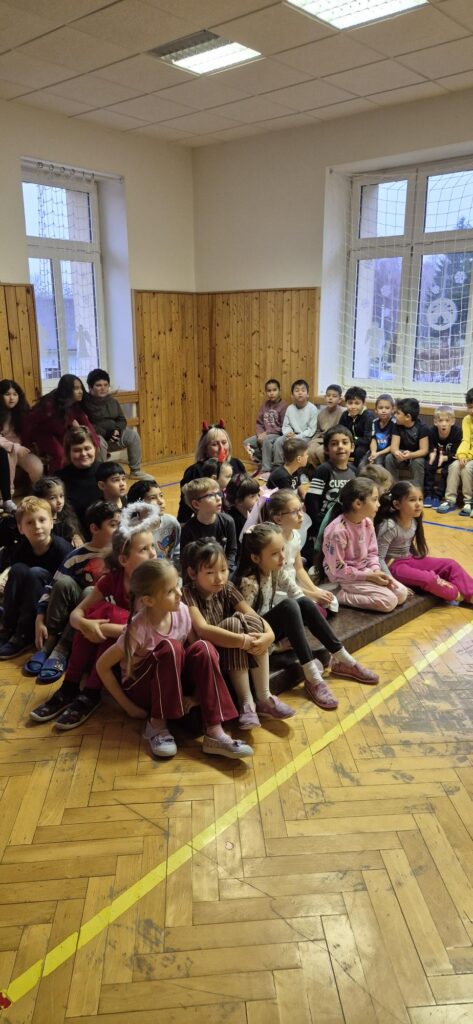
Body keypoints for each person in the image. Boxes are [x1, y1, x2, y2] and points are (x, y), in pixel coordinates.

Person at [96, 560, 253, 760]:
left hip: (171, 684)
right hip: (142, 689)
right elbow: (102, 666)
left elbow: (197, 658)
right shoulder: (138, 628)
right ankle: (156, 725)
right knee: (171, 647)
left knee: (204, 647)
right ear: (149, 601)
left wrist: (196, 696)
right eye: (170, 591)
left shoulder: (182, 611)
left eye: (178, 585)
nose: (179, 593)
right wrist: (129, 708)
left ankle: (215, 732)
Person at [30, 503, 160, 726]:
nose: (153, 553)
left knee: (108, 614)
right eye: (144, 549)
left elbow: (149, 630)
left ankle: (90, 692)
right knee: (95, 613)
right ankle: (71, 686)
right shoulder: (113, 579)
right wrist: (85, 624)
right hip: (118, 644)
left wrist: (101, 627)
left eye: (152, 546)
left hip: (145, 649)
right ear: (123, 560)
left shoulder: (157, 582)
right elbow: (76, 614)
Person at [234, 524, 379, 713]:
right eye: (275, 554)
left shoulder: (275, 569)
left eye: (283, 550)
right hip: (258, 642)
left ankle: (343, 658)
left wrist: (312, 603)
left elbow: (297, 594)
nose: (283, 557)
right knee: (289, 606)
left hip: (270, 632)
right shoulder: (248, 583)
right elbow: (249, 630)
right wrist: (275, 647)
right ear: (255, 558)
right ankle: (313, 678)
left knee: (302, 602)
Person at [182, 539, 292, 729]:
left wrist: (269, 636)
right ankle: (246, 702)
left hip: (234, 653)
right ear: (192, 573)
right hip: (210, 660)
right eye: (210, 572)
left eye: (224, 570)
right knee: (233, 623)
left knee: (249, 620)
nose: (219, 578)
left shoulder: (227, 588)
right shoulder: (187, 593)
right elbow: (202, 629)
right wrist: (242, 641)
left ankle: (264, 697)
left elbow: (253, 615)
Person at [25, 500, 120, 683]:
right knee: (64, 582)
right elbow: (52, 586)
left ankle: (63, 647)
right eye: (113, 525)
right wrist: (40, 616)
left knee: (90, 592)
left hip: (102, 613)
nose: (120, 530)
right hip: (76, 611)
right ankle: (49, 643)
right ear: (94, 528)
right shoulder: (77, 556)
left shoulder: (120, 556)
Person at [376, 481, 473, 602]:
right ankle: (459, 595)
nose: (418, 504)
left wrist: (419, 564)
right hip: (393, 566)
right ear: (397, 504)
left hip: (408, 559)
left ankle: (470, 593)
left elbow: (408, 545)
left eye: (420, 499)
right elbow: (379, 558)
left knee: (450, 564)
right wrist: (393, 582)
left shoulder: (414, 521)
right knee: (430, 579)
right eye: (412, 500)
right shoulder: (389, 526)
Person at [0, 497, 72, 659]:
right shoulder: (21, 548)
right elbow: (16, 577)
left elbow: (65, 585)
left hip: (52, 601)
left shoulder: (62, 549)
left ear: (52, 522)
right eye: (30, 522)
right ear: (21, 528)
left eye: (42, 520)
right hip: (29, 598)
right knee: (18, 569)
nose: (37, 526)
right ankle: (8, 626)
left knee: (35, 573)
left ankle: (24, 634)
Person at [322, 478, 408, 612]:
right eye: (374, 500)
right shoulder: (338, 532)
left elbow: (372, 553)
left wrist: (376, 571)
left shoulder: (367, 522)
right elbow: (337, 569)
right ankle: (339, 594)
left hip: (363, 571)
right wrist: (369, 577)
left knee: (401, 593)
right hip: (342, 577)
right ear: (358, 503)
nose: (378, 504)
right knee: (389, 601)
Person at [264, 489, 336, 609]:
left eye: (301, 509)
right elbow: (276, 582)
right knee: (313, 608)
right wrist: (312, 595)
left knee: (331, 602)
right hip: (278, 590)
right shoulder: (273, 542)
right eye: (294, 512)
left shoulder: (296, 535)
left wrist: (315, 591)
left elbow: (299, 569)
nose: (301, 515)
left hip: (294, 585)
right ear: (278, 519)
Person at [83, 368, 153, 480]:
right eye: (98, 385)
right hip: (97, 438)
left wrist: (117, 430)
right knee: (99, 442)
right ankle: (101, 476)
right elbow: (87, 425)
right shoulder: (84, 403)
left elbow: (121, 419)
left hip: (114, 436)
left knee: (133, 436)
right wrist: (106, 433)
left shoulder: (113, 401)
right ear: (90, 387)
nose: (103, 388)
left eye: (106, 385)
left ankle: (135, 471)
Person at [23, 374, 99, 472]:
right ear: (67, 390)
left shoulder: (75, 405)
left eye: (81, 388)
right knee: (60, 454)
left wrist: (95, 443)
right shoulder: (49, 405)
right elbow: (28, 422)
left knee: (75, 449)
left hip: (60, 433)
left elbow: (87, 424)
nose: (80, 391)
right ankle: (56, 479)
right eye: (76, 388)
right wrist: (27, 445)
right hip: (42, 433)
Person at [178, 421, 246, 523]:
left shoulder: (236, 464)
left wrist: (267, 500)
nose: (222, 448)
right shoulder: (195, 471)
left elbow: (249, 493)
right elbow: (186, 505)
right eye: (214, 444)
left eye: (224, 442)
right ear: (205, 448)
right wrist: (182, 524)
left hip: (238, 521)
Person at [305, 425, 355, 538]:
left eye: (344, 442)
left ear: (352, 447)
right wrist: (317, 524)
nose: (340, 446)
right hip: (324, 523)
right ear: (326, 449)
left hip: (344, 523)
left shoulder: (354, 471)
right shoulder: (323, 470)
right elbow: (312, 499)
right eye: (334, 444)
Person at [180, 477, 237, 572]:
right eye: (211, 495)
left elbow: (232, 551)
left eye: (218, 493)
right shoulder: (188, 529)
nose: (218, 498)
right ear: (196, 504)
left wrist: (225, 571)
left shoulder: (228, 521)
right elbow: (185, 560)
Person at [56, 426, 102, 534]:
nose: (83, 454)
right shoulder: (59, 479)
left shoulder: (106, 471)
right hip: (74, 533)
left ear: (95, 448)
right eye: (77, 450)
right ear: (68, 453)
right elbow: (59, 514)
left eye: (87, 448)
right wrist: (74, 535)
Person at [0, 378, 43, 491]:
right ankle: (7, 495)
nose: (12, 398)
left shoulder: (23, 411)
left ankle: (36, 493)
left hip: (21, 449)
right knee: (7, 459)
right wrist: (14, 447)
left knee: (37, 467)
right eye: (7, 394)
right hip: (4, 450)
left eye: (15, 394)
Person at [127, 477, 180, 564]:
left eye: (161, 496)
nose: (161, 501)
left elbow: (176, 552)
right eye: (152, 498)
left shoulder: (171, 522)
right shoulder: (131, 531)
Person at [437, 389, 473, 515]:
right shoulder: (467, 419)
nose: (471, 411)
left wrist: (468, 457)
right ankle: (450, 500)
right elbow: (465, 440)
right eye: (470, 407)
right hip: (467, 455)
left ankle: (468, 501)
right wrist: (462, 455)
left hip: (471, 457)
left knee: (466, 468)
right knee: (454, 466)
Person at [243, 378, 287, 475]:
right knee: (247, 443)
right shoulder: (265, 406)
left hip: (277, 434)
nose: (272, 393)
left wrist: (266, 433)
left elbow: (284, 426)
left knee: (266, 439)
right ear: (266, 392)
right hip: (264, 434)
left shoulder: (284, 406)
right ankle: (263, 461)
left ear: (279, 391)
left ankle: (266, 469)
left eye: (274, 390)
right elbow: (259, 422)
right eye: (269, 391)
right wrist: (259, 434)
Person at [384, 398, 429, 489]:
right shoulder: (397, 425)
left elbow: (424, 450)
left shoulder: (422, 427)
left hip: (416, 455)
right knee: (389, 458)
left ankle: (417, 491)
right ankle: (393, 489)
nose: (395, 415)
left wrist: (411, 455)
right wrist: (396, 452)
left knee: (418, 462)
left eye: (398, 413)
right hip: (402, 454)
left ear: (408, 417)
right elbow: (394, 447)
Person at [272, 380, 318, 467]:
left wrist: (297, 437)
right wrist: (289, 433)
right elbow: (286, 425)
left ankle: (298, 470)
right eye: (297, 390)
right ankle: (278, 467)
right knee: (279, 441)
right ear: (292, 395)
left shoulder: (312, 409)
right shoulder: (290, 408)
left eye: (303, 390)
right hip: (292, 435)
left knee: (296, 445)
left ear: (307, 394)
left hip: (306, 437)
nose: (300, 393)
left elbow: (311, 430)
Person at [424, 406, 461, 509]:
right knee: (429, 466)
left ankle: (438, 496)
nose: (443, 424)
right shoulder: (431, 431)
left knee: (446, 471)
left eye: (447, 421)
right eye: (440, 421)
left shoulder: (457, 432)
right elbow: (431, 448)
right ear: (435, 422)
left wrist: (445, 458)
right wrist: (431, 454)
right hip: (436, 456)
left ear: (452, 422)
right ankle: (428, 494)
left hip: (450, 458)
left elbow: (456, 452)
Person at [33, 476, 83, 547]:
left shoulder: (66, 518)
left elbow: (73, 532)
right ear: (40, 500)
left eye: (61, 496)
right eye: (52, 498)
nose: (59, 501)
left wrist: (75, 536)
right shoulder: (39, 524)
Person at [308, 385, 344, 468]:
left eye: (334, 396)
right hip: (321, 438)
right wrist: (313, 441)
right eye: (328, 395)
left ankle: (329, 471)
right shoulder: (321, 413)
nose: (330, 398)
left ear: (339, 400)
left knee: (320, 451)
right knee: (309, 451)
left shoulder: (343, 413)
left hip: (334, 439)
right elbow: (318, 431)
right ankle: (317, 471)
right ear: (325, 397)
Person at [339, 387, 374, 467]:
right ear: (346, 403)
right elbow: (340, 431)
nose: (353, 406)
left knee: (359, 451)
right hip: (349, 443)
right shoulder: (345, 415)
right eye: (350, 403)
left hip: (364, 445)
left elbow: (368, 439)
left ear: (363, 404)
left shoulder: (368, 417)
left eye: (357, 403)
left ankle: (356, 472)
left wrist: (352, 442)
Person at [226, 474, 260, 550]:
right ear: (239, 501)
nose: (258, 498)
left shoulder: (248, 509)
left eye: (258, 494)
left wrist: (268, 499)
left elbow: (266, 500)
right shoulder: (234, 522)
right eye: (252, 496)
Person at [363, 393, 396, 468]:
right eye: (380, 408)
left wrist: (378, 454)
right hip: (375, 450)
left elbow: (393, 445)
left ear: (392, 409)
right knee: (362, 465)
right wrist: (373, 452)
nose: (383, 411)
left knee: (377, 464)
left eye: (387, 408)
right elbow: (373, 439)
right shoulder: (374, 422)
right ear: (376, 410)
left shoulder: (394, 423)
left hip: (387, 451)